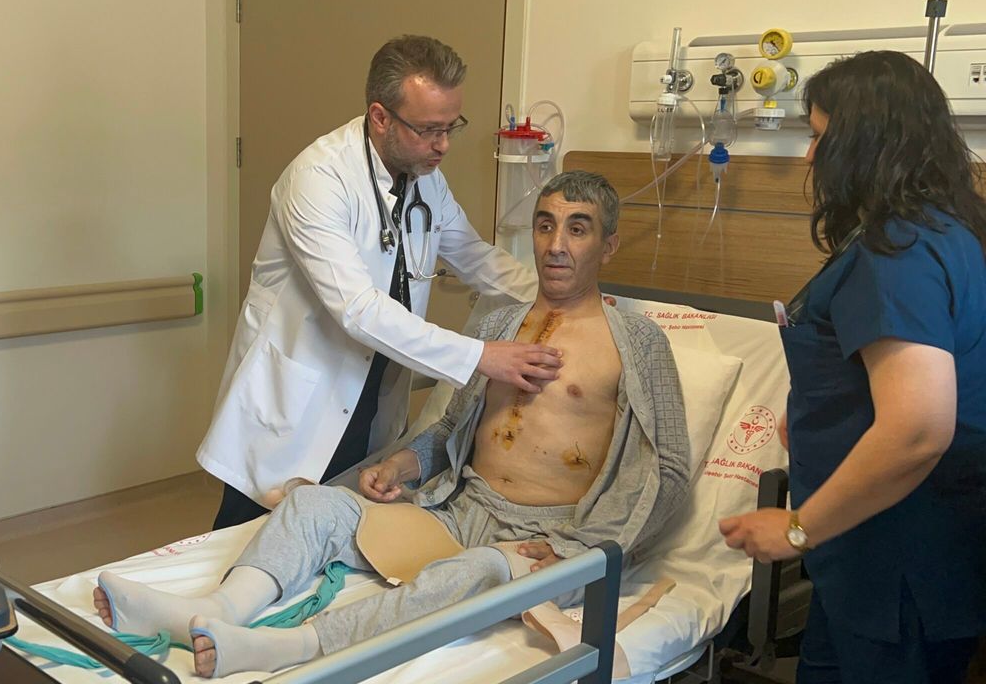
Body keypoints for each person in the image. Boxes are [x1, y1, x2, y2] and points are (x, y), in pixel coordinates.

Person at [99, 171, 691, 678]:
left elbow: (667, 472)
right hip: (460, 510)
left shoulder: (638, 343)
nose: (556, 245)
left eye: (578, 229)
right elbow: (452, 428)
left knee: (476, 569)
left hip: (543, 538)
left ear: (608, 246)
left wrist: (582, 550)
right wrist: (402, 464)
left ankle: (293, 647)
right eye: (545, 225)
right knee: (312, 505)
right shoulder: (498, 327)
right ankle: (221, 608)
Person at [200, 35, 551, 529]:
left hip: (369, 398)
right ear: (381, 117)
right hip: (296, 406)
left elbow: (476, 258)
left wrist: (565, 299)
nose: (444, 145)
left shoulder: (425, 179)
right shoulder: (318, 178)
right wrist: (479, 356)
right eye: (428, 129)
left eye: (451, 127)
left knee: (333, 540)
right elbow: (358, 308)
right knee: (248, 540)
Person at [719, 50, 986, 684]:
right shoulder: (945, 231)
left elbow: (917, 429)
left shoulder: (897, 253)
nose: (810, 158)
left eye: (819, 137)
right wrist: (816, 414)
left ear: (866, 142)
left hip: (896, 564)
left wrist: (796, 530)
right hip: (896, 556)